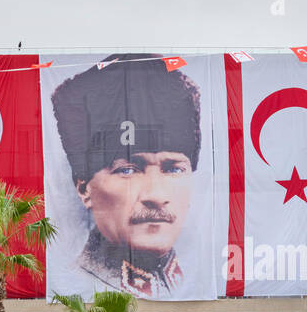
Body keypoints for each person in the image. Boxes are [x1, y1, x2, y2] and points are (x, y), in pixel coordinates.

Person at [50, 54, 203, 298]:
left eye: (173, 169)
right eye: (128, 170)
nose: (156, 195)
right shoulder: (76, 284)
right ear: (83, 188)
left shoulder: (197, 282)